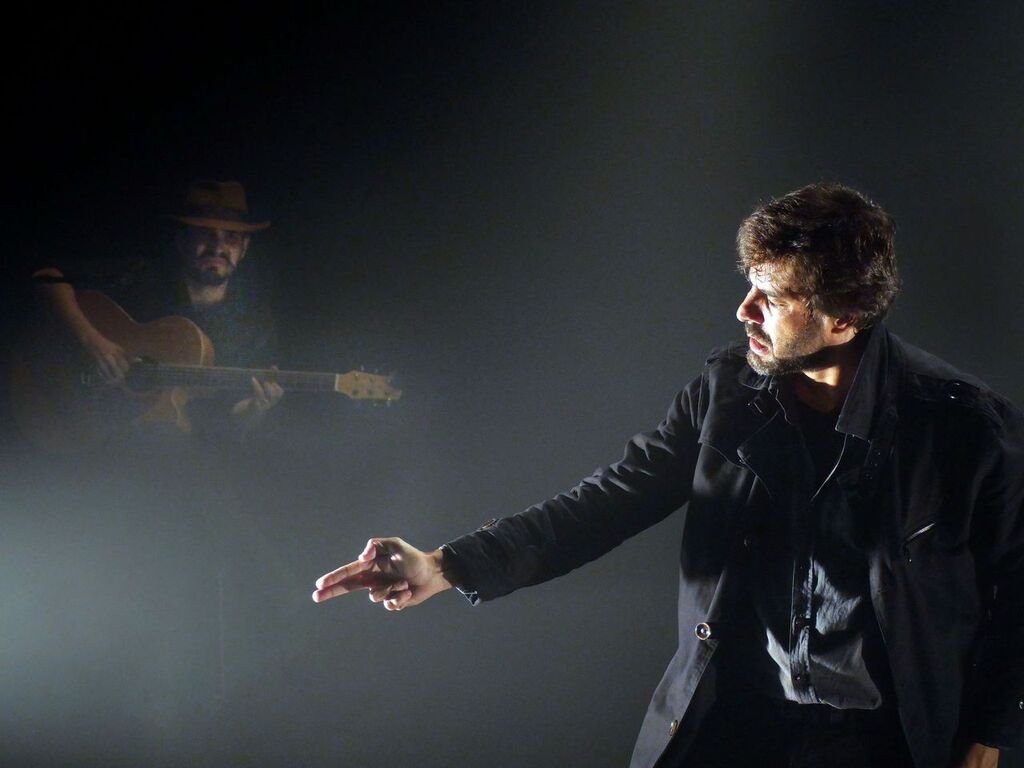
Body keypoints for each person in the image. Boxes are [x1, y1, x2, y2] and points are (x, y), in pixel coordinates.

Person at [310, 183, 1022, 768]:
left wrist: (987, 734)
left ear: (846, 317)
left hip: (885, 743)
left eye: (772, 297)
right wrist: (445, 565)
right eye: (748, 285)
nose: (744, 310)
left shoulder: (965, 429)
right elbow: (609, 500)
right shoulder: (727, 392)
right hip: (737, 726)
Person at [30, 179, 283, 441]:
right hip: (70, 412)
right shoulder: (138, 276)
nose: (217, 247)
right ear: (181, 239)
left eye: (231, 237)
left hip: (158, 449)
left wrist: (255, 409)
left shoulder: (254, 325)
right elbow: (46, 277)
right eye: (204, 232)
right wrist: (92, 342)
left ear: (244, 248)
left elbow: (226, 421)